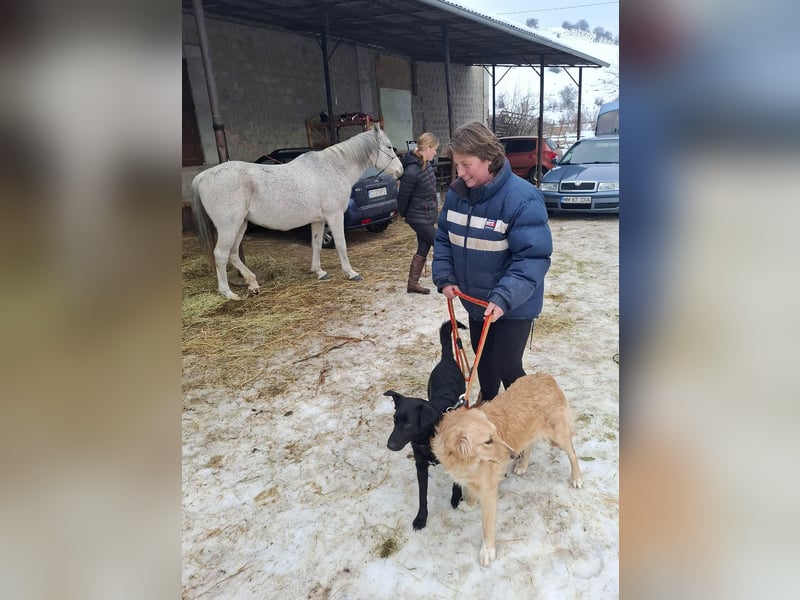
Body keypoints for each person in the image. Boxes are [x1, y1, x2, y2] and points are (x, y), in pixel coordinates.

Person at [432, 121, 552, 402]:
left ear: (489, 158)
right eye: (457, 165)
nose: (460, 172)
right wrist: (445, 276)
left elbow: (532, 258)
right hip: (477, 300)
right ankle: (488, 403)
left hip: (514, 303)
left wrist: (504, 297)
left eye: (466, 164)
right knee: (483, 358)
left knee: (507, 364)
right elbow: (444, 239)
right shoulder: (457, 196)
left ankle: (526, 416)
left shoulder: (522, 199)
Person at [397, 132, 440, 294]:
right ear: (427, 147)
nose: (435, 152)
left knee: (424, 246)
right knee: (440, 243)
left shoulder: (425, 165)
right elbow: (403, 196)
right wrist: (403, 214)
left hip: (426, 215)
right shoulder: (411, 171)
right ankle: (447, 278)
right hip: (417, 217)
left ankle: (412, 284)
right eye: (434, 149)